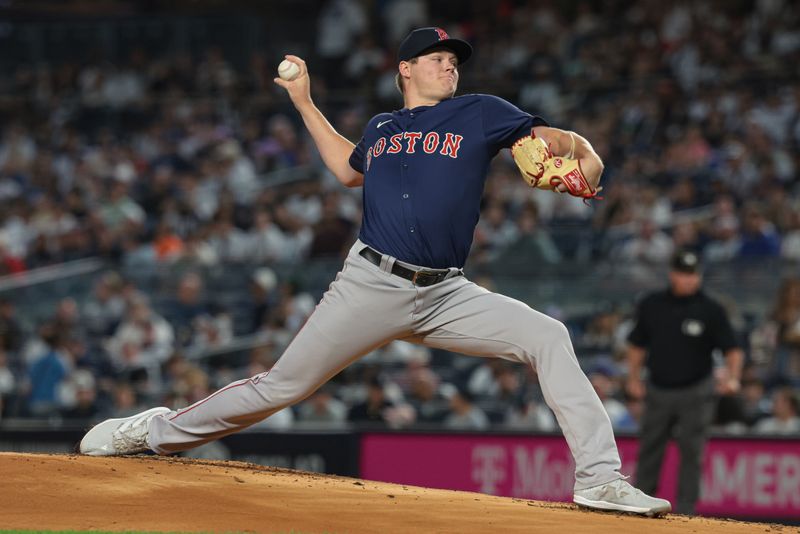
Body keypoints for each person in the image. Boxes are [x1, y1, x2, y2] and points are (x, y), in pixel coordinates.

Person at [79, 27, 670, 516]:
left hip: (447, 292)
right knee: (281, 387)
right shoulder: (382, 128)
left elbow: (556, 139)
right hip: (371, 283)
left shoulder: (482, 112)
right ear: (405, 69)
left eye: (453, 60)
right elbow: (345, 169)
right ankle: (151, 433)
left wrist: (586, 157)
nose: (450, 67)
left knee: (549, 335)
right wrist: (304, 102)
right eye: (437, 59)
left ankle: (599, 478)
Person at [625, 249, 744, 515]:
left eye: (693, 275)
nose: (689, 280)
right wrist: (633, 378)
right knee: (650, 449)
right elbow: (636, 345)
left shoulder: (711, 309)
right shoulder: (652, 304)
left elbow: (732, 348)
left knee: (692, 453)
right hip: (658, 388)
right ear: (672, 274)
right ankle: (643, 505)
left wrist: (733, 376)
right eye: (683, 274)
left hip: (696, 391)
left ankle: (686, 511)